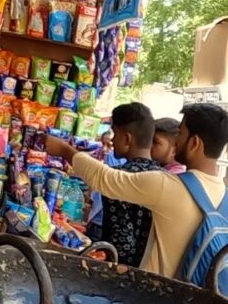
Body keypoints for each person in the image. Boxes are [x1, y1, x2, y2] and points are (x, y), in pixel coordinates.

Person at [48, 103, 228, 278]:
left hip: (155, 296)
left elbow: (104, 178)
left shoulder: (170, 186)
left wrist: (64, 149)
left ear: (194, 143)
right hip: (192, 302)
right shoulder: (224, 197)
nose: (176, 141)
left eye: (180, 133)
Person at [93, 103, 165, 267]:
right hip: (150, 270)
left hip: (118, 271)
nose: (111, 140)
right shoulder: (166, 179)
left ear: (127, 138)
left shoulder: (116, 179)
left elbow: (119, 242)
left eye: (115, 134)